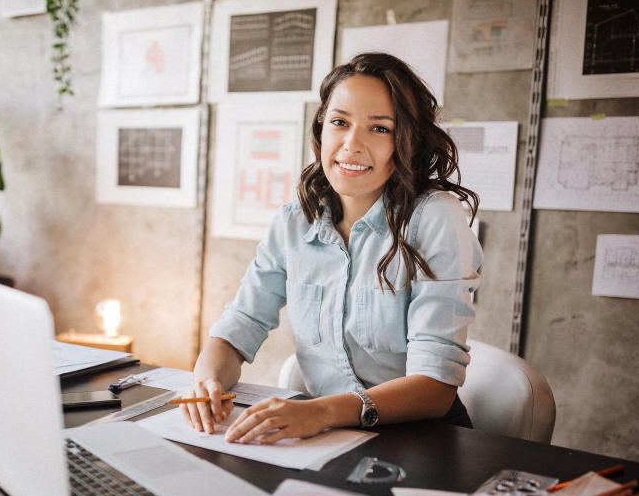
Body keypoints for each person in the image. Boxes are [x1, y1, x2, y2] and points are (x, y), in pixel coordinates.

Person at [183, 52, 483, 444]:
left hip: (421, 440)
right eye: (340, 122)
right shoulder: (294, 222)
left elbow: (435, 386)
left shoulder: (436, 217)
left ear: (406, 140)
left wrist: (320, 412)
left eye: (379, 128)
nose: (351, 144)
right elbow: (239, 326)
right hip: (325, 436)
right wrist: (206, 380)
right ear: (322, 127)